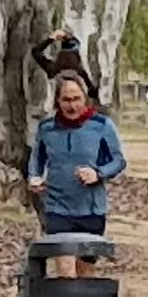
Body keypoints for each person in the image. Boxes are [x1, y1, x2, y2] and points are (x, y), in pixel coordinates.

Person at [25, 69, 127, 254]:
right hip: (57, 208)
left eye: (76, 99)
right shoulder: (47, 129)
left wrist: (98, 173)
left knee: (84, 272)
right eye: (66, 100)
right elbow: (36, 160)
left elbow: (119, 161)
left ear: (85, 98)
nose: (72, 106)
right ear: (57, 100)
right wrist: (34, 177)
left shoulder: (101, 125)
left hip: (92, 210)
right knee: (65, 268)